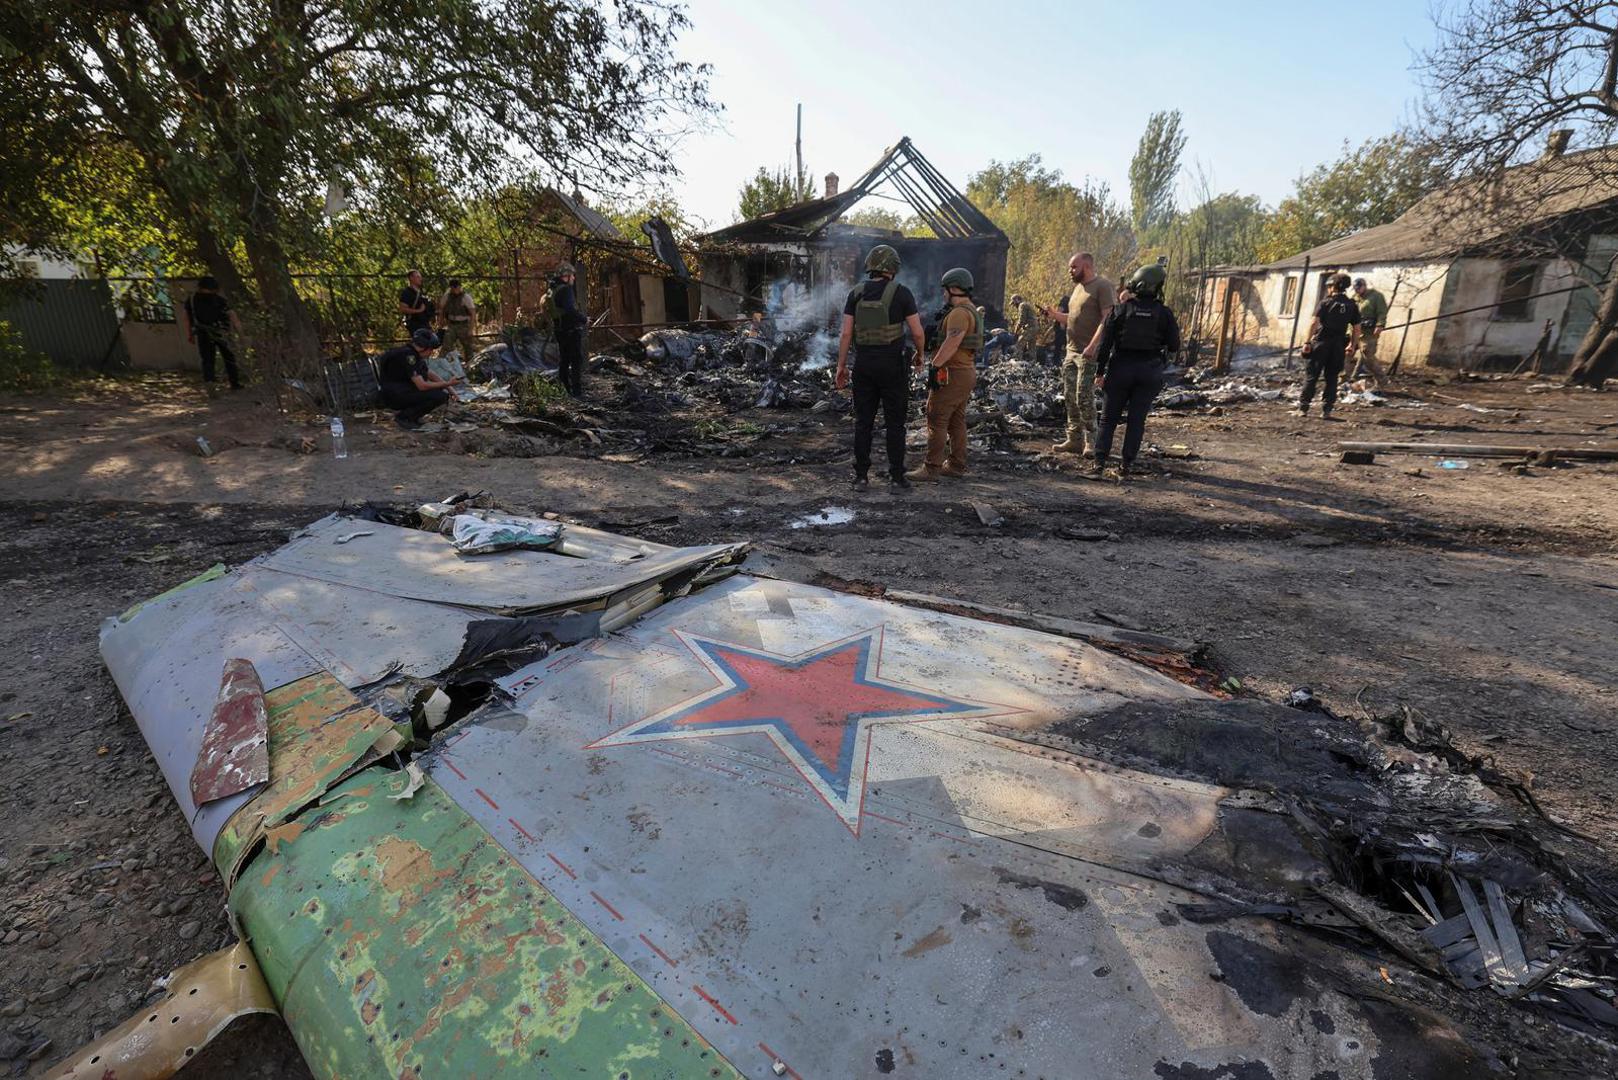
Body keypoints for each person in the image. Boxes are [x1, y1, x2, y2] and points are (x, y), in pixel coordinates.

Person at [834, 244, 926, 490]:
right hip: (893, 367)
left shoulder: (856, 293)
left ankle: (861, 477)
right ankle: (897, 478)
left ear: (870, 267)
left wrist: (841, 366)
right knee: (895, 424)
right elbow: (917, 332)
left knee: (864, 422)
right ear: (893, 269)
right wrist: (920, 355)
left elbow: (845, 334)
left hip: (864, 366)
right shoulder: (902, 293)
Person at [1093, 264, 1180, 479]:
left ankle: (1099, 465)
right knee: (1136, 420)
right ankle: (1125, 466)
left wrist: (1100, 373)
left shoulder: (1120, 310)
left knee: (1108, 419)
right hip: (1149, 371)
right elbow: (1175, 345)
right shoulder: (1164, 313)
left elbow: (1105, 346)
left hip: (1121, 368)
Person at [907, 267, 981, 482]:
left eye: (945, 290)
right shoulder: (971, 310)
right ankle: (957, 465)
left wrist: (935, 366)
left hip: (953, 373)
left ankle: (931, 468)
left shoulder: (959, 313)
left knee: (936, 418)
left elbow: (952, 342)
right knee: (956, 420)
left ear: (954, 288)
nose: (943, 294)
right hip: (965, 371)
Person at [1044, 252, 1116, 454]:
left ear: (1087, 266)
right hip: (1071, 352)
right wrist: (1055, 315)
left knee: (1083, 396)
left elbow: (1107, 320)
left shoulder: (1102, 286)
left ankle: (1091, 441)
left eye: (1074, 267)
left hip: (1088, 353)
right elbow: (1073, 318)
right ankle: (1073, 439)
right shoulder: (1077, 289)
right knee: (1069, 396)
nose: (1070, 271)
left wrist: (1093, 346)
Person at [1299, 273, 1361, 419]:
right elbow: (1357, 329)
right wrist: (1352, 345)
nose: (1328, 289)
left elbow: (1314, 323)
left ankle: (1303, 408)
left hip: (1321, 343)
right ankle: (1326, 410)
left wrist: (1307, 342)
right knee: (1332, 378)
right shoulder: (1352, 305)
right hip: (1338, 346)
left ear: (1333, 286)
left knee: (1311, 376)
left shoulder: (1325, 302)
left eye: (1329, 286)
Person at [378, 329, 461, 429]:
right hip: (394, 395)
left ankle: (413, 417)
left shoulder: (411, 353)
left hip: (400, 391)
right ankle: (404, 417)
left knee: (439, 391)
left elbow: (429, 373)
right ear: (425, 348)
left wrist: (450, 389)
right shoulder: (409, 356)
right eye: (431, 350)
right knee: (439, 396)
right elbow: (422, 386)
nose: (431, 353)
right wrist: (447, 383)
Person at [181, 276, 242, 390]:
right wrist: (240, 332)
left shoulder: (192, 300)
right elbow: (233, 316)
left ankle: (210, 382)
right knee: (229, 357)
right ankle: (235, 382)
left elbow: (186, 318)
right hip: (222, 331)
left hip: (202, 332)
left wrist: (189, 334)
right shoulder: (219, 300)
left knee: (207, 359)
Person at [549, 263, 587, 396]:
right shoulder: (566, 290)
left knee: (564, 360)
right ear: (566, 276)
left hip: (560, 330)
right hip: (570, 330)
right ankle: (577, 392)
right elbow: (570, 310)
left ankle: (564, 389)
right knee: (576, 360)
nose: (574, 279)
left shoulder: (554, 289)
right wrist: (584, 319)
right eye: (572, 276)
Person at [1348, 277, 1389, 387]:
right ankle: (1344, 379)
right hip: (1354, 331)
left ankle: (1382, 380)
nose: (1357, 290)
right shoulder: (1354, 298)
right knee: (1346, 354)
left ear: (1364, 286)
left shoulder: (1376, 296)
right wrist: (1348, 331)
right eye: (1355, 289)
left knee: (1368, 356)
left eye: (1358, 288)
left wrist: (1380, 324)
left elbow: (1382, 312)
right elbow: (1349, 316)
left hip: (1369, 332)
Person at [439, 279, 477, 360]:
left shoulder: (466, 297)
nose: (456, 289)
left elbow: (473, 313)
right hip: (451, 325)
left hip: (463, 325)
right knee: (446, 345)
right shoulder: (447, 297)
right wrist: (441, 321)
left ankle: (471, 365)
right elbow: (442, 309)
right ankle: (441, 363)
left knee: (468, 348)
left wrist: (471, 329)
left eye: (458, 287)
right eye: (454, 288)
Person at [397, 269, 435, 335]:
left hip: (424, 323)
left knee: (432, 341)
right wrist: (419, 310)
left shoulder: (420, 292)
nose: (420, 279)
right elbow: (402, 309)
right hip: (415, 324)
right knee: (422, 343)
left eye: (420, 277)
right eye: (418, 277)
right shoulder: (407, 293)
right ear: (411, 278)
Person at [1012, 293, 1039, 361]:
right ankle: (1032, 364)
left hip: (1030, 327)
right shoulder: (1027, 304)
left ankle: (1018, 363)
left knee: (1019, 344)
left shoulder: (1022, 305)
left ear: (1017, 300)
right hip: (1035, 327)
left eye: (1014, 302)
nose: (1014, 305)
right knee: (1031, 347)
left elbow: (1022, 319)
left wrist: (1016, 330)